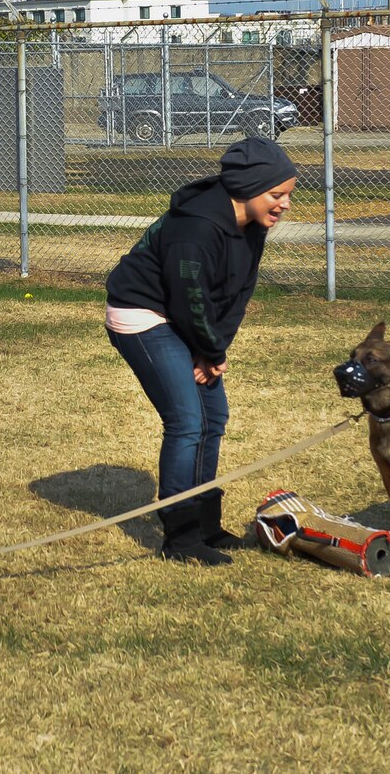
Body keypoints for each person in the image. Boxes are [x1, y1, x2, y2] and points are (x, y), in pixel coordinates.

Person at [104, 138, 300, 565]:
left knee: (214, 417)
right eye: (276, 195)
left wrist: (213, 351)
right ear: (248, 188)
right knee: (187, 421)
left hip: (185, 318)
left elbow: (236, 294)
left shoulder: (252, 225)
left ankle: (207, 524)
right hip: (142, 314)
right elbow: (187, 298)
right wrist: (206, 350)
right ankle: (181, 539)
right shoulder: (196, 229)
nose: (285, 205)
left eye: (288, 195)